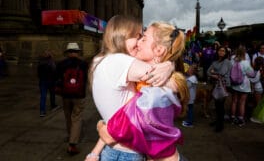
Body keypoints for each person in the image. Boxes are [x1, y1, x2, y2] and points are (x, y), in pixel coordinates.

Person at [87, 16, 176, 161]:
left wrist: (95, 152)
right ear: (122, 36)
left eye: (143, 38)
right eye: (138, 36)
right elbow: (170, 82)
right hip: (127, 154)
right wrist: (169, 66)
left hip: (114, 150)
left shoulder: (103, 60)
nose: (140, 42)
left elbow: (121, 115)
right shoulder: (120, 62)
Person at [56, 42, 88, 155]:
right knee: (77, 117)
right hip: (79, 95)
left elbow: (57, 79)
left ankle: (70, 136)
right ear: (78, 52)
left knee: (68, 117)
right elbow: (86, 80)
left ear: (68, 52)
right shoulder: (83, 64)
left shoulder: (61, 64)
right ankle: (72, 144)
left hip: (66, 95)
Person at [207, 46, 232, 132]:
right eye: (220, 50)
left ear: (226, 53)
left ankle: (220, 125)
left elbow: (222, 72)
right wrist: (214, 74)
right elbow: (208, 71)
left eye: (223, 51)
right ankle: (218, 121)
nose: (221, 52)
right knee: (217, 105)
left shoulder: (227, 62)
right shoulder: (215, 62)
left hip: (224, 85)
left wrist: (213, 73)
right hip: (216, 85)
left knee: (220, 105)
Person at [230, 45, 255, 127]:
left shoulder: (232, 60)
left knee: (234, 101)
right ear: (244, 53)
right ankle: (240, 119)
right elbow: (252, 74)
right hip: (244, 84)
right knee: (242, 103)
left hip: (234, 83)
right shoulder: (246, 62)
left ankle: (233, 118)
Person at [37, 50, 58, 117]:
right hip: (50, 80)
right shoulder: (51, 62)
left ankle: (42, 111)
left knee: (43, 96)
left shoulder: (40, 62)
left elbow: (38, 73)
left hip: (43, 81)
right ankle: (53, 106)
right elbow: (55, 70)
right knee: (52, 93)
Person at [182, 63, 198, 128]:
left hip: (190, 97)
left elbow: (186, 86)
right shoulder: (191, 78)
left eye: (188, 69)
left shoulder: (191, 79)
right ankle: (188, 120)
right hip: (190, 96)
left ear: (191, 71)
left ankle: (190, 122)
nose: (187, 70)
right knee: (189, 109)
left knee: (190, 109)